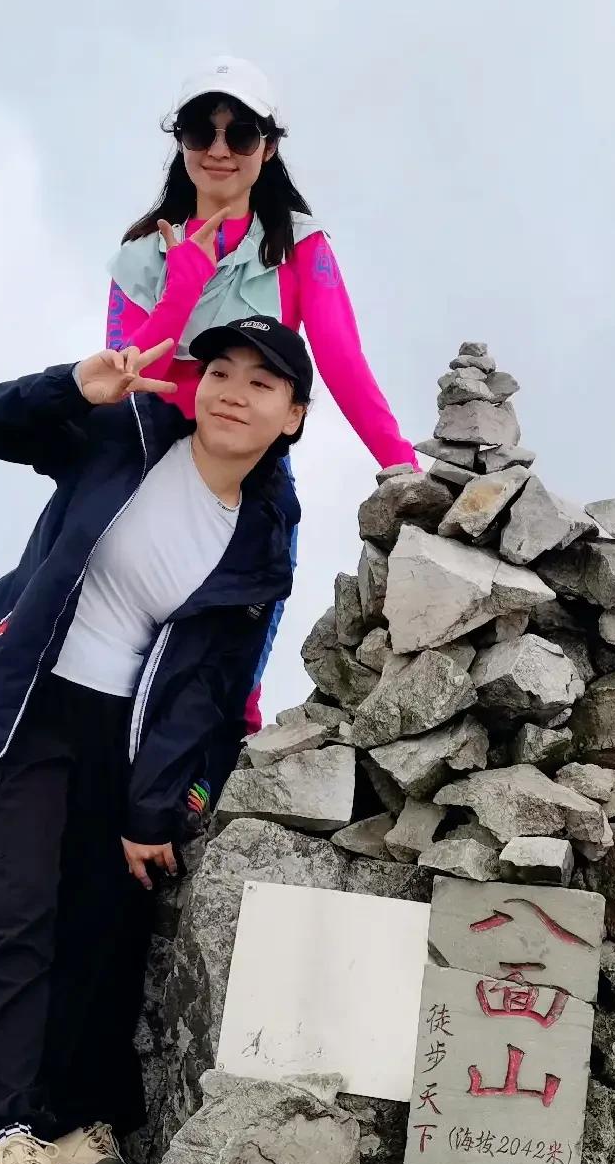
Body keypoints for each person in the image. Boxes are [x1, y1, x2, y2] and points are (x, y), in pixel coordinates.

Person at [0, 316, 309, 1164]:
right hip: (25, 697)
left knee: (102, 925)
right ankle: (5, 1140)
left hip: (118, 734)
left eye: (263, 383)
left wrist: (155, 809)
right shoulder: (127, 430)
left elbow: (209, 691)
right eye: (221, 371)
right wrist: (68, 387)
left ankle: (71, 1124)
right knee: (7, 914)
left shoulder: (261, 542)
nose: (234, 393)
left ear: (292, 417)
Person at [107, 55, 418, 728]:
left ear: (269, 147)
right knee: (116, 654)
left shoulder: (301, 246)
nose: (220, 150)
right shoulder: (140, 253)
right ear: (181, 142)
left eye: (241, 133)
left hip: (250, 475)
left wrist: (403, 471)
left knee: (236, 665)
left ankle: (219, 775)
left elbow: (342, 361)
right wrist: (182, 287)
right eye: (201, 131)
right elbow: (125, 375)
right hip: (147, 470)